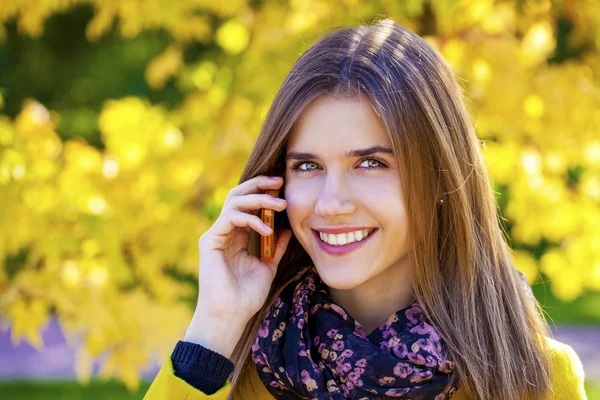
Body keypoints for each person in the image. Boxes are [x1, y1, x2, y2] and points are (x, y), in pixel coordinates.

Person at [144, 19, 586, 399]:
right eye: (307, 165)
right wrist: (216, 323)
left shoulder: (534, 380)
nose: (331, 204)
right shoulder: (232, 374)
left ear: (439, 177)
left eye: (371, 163)